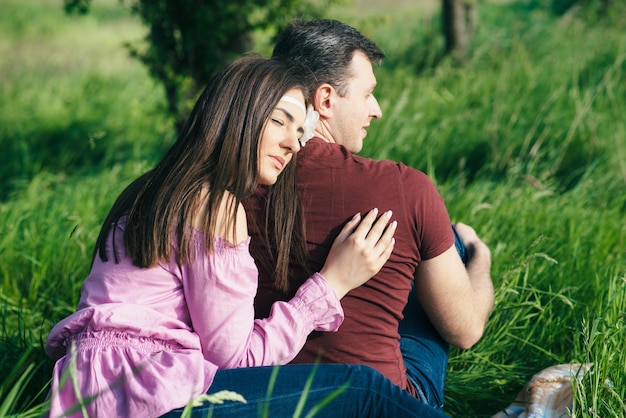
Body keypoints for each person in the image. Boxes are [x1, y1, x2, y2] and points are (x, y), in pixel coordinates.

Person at [45, 56, 452, 418]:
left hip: (93, 390)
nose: (294, 143)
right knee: (360, 389)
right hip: (153, 398)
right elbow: (236, 359)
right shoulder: (217, 206)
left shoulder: (154, 189)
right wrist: (333, 283)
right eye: (280, 120)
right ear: (238, 116)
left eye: (300, 130)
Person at [247, 19, 494, 412]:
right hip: (388, 402)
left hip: (271, 397)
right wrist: (479, 258)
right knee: (448, 243)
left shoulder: (230, 187)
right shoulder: (405, 189)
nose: (376, 110)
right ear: (326, 100)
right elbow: (465, 330)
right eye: (368, 94)